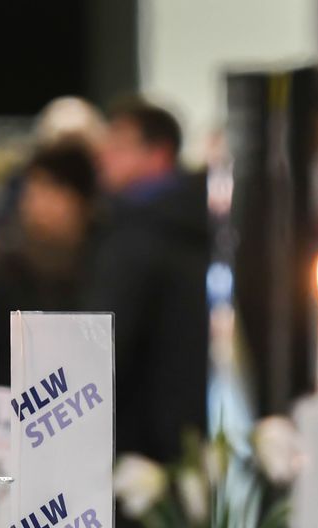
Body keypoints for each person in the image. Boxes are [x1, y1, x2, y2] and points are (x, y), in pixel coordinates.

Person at [88, 97, 210, 462]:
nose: (104, 156)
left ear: (159, 154)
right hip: (184, 435)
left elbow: (102, 344)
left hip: (140, 448)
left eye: (119, 146)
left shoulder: (140, 235)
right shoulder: (197, 222)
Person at [0, 142, 99, 383]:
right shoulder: (5, 272)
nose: (36, 204)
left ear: (81, 201)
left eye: (51, 190)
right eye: (32, 191)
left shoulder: (107, 268)